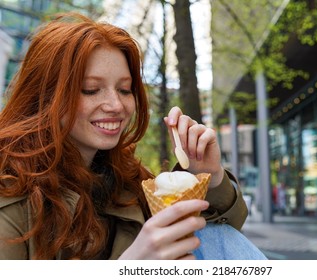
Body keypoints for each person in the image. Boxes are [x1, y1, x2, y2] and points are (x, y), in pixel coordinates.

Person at [0, 12, 266, 260]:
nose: (116, 105)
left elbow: (222, 243)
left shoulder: (130, 180)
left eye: (125, 90)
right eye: (91, 90)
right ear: (44, 96)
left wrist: (209, 175)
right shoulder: (9, 198)